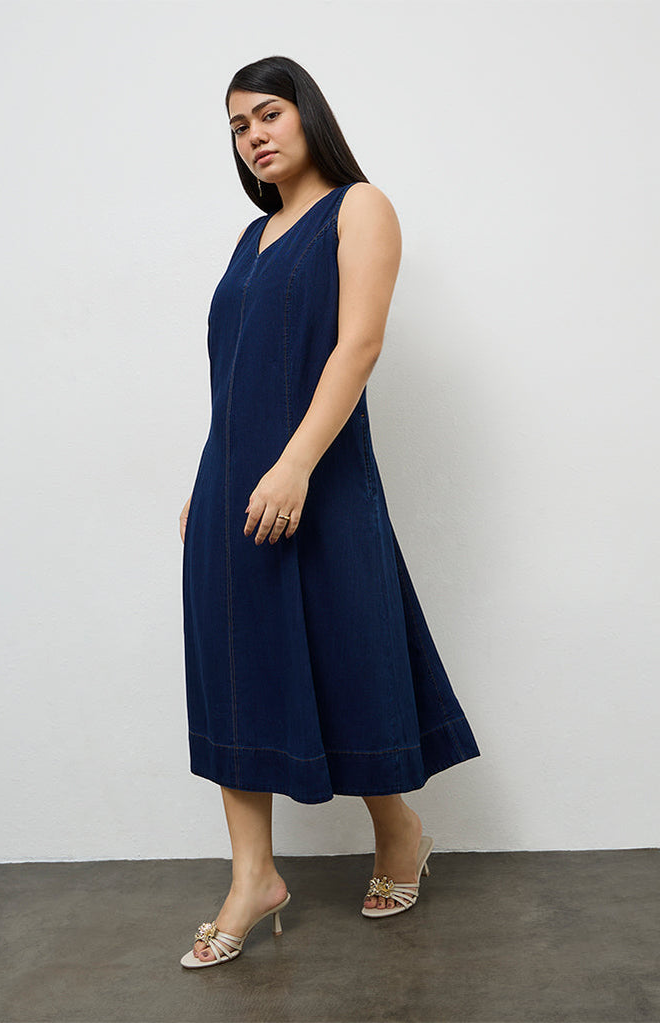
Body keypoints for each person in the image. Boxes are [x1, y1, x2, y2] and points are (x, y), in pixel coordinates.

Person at [178, 55, 481, 968]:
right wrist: (210, 475)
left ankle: (399, 830)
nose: (254, 135)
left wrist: (295, 464)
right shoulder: (250, 237)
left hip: (320, 474)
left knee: (349, 656)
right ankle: (252, 877)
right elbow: (235, 371)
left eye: (268, 113)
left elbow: (358, 345)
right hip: (234, 483)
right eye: (238, 126)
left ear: (308, 113)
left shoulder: (360, 207)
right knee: (236, 670)